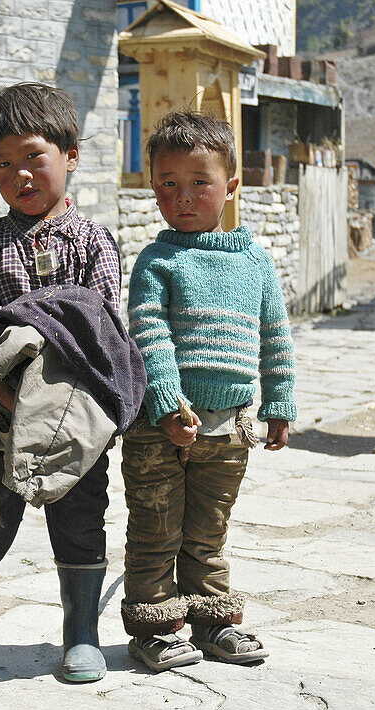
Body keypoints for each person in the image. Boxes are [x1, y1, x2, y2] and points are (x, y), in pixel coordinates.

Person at [0, 82, 122, 683]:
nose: (20, 174)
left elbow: (101, 327)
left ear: (70, 154)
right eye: (2, 165)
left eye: (33, 157)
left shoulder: (94, 241)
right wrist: (4, 387)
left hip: (73, 413)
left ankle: (82, 631)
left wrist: (61, 395)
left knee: (80, 517)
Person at [121, 111, 297, 671]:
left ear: (231, 187)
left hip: (228, 430)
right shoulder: (157, 261)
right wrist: (169, 406)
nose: (184, 197)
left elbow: (276, 337)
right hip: (159, 431)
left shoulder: (255, 264)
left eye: (200, 182)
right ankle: (156, 625)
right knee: (155, 529)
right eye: (168, 185)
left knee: (208, 533)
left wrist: (279, 404)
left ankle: (212, 621)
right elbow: (151, 335)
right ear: (153, 189)